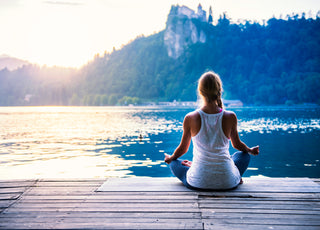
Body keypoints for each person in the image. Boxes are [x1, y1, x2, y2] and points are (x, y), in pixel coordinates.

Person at [164, 71, 259, 190]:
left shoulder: (190, 118)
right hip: (227, 182)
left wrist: (170, 158)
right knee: (244, 156)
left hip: (198, 182)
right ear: (219, 90)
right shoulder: (230, 116)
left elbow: (183, 149)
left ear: (200, 92)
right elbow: (237, 145)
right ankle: (235, 176)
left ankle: (195, 168)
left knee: (174, 163)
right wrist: (250, 150)